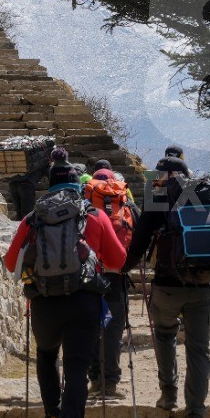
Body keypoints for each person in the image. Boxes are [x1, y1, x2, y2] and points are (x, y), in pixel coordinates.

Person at [3, 151, 126, 418]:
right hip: (84, 301)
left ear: (49, 186)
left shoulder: (34, 218)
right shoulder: (94, 216)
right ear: (77, 185)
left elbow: (9, 262)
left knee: (46, 355)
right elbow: (118, 260)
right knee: (76, 368)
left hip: (44, 302)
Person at [123, 153, 210, 418]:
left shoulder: (158, 197)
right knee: (199, 350)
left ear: (167, 175)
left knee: (164, 334)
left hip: (167, 284)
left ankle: (169, 394)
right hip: (202, 283)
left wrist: (124, 267)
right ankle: (196, 417)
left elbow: (140, 239)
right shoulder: (207, 192)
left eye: (159, 175)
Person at [83, 166, 138, 397]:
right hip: (115, 276)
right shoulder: (127, 206)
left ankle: (95, 379)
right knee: (113, 330)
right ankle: (111, 381)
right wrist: (126, 266)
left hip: (88, 277)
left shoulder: (84, 206)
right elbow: (138, 240)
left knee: (93, 328)